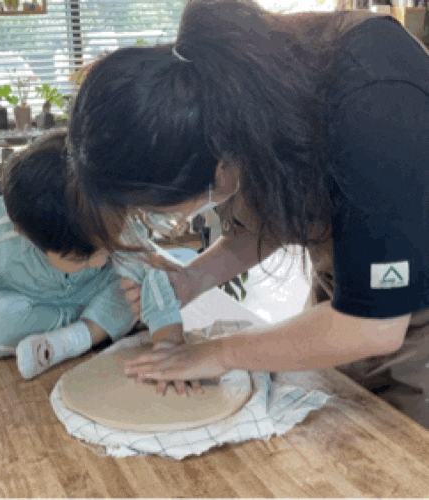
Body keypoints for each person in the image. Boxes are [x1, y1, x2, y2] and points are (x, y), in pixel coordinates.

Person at [66, 0, 429, 426]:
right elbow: (272, 222)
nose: (165, 222)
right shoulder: (235, 94)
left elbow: (372, 327)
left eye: (158, 211)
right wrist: (189, 281)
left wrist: (219, 353)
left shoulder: (374, 104)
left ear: (219, 169)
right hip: (349, 299)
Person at [0, 130, 197, 394]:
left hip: (95, 291)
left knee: (137, 287)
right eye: (81, 258)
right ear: (26, 234)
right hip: (23, 298)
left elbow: (149, 272)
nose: (99, 261)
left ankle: (74, 339)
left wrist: (169, 343)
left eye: (105, 249)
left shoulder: (111, 217)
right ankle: (94, 329)